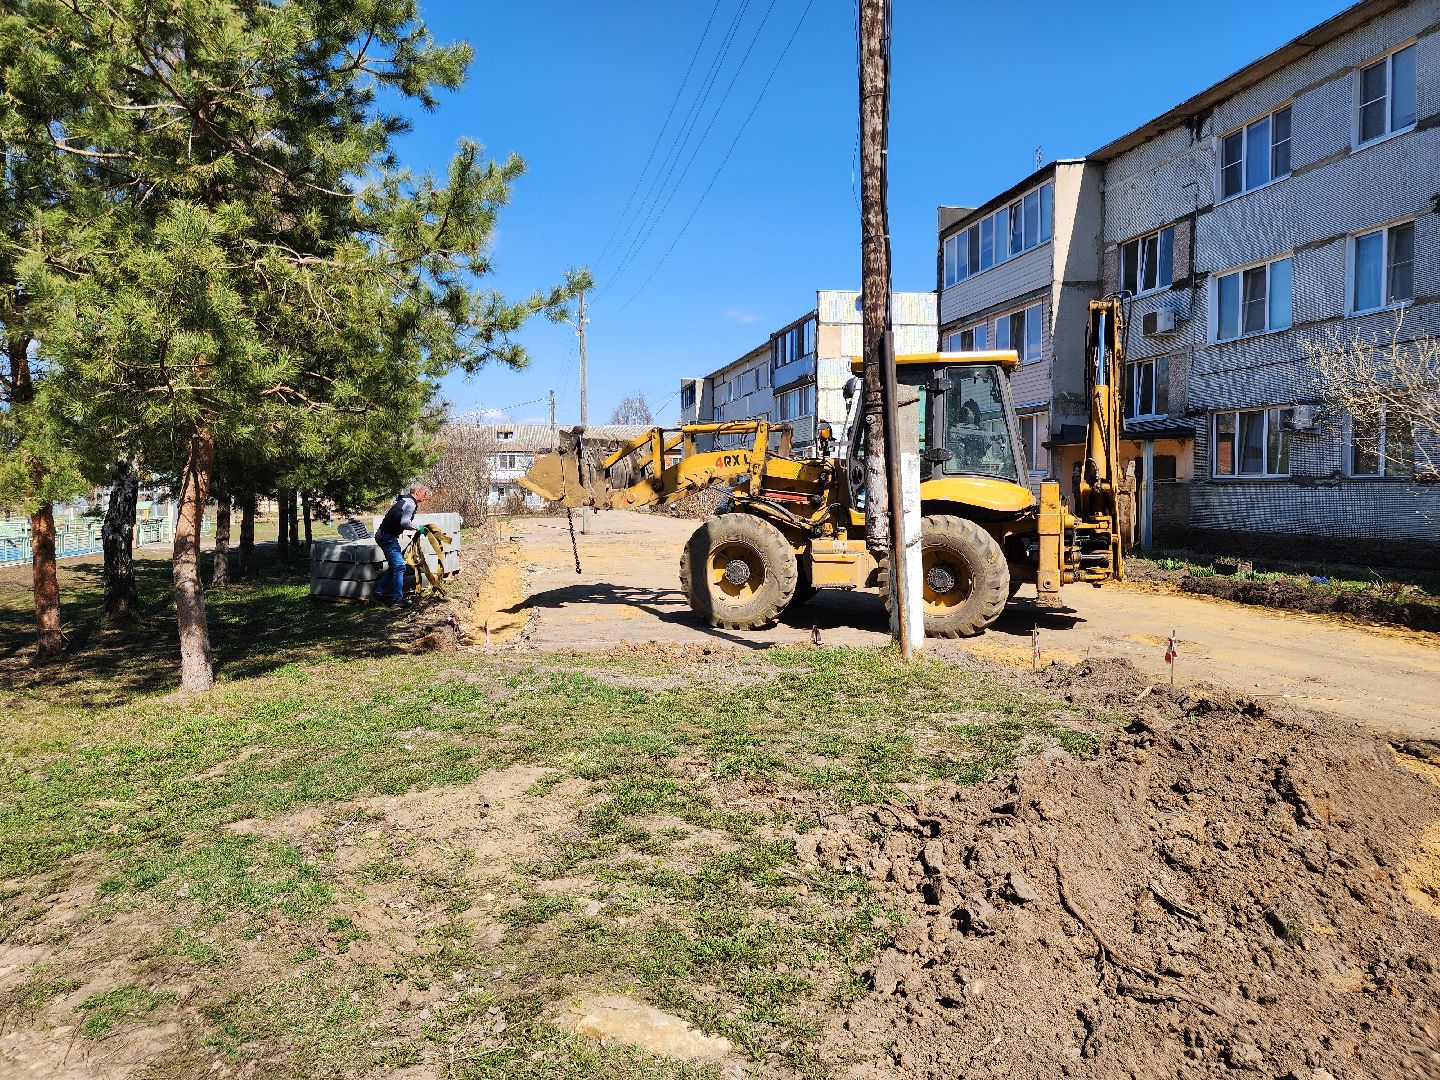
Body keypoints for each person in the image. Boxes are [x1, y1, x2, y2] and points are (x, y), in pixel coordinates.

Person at [373, 483, 430, 607]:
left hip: (386, 535)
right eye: (425, 493)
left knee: (395, 567)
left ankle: (378, 594)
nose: (426, 496)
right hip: (386, 536)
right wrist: (418, 528)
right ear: (417, 492)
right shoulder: (410, 503)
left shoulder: (406, 500)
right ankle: (397, 601)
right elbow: (405, 522)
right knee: (399, 567)